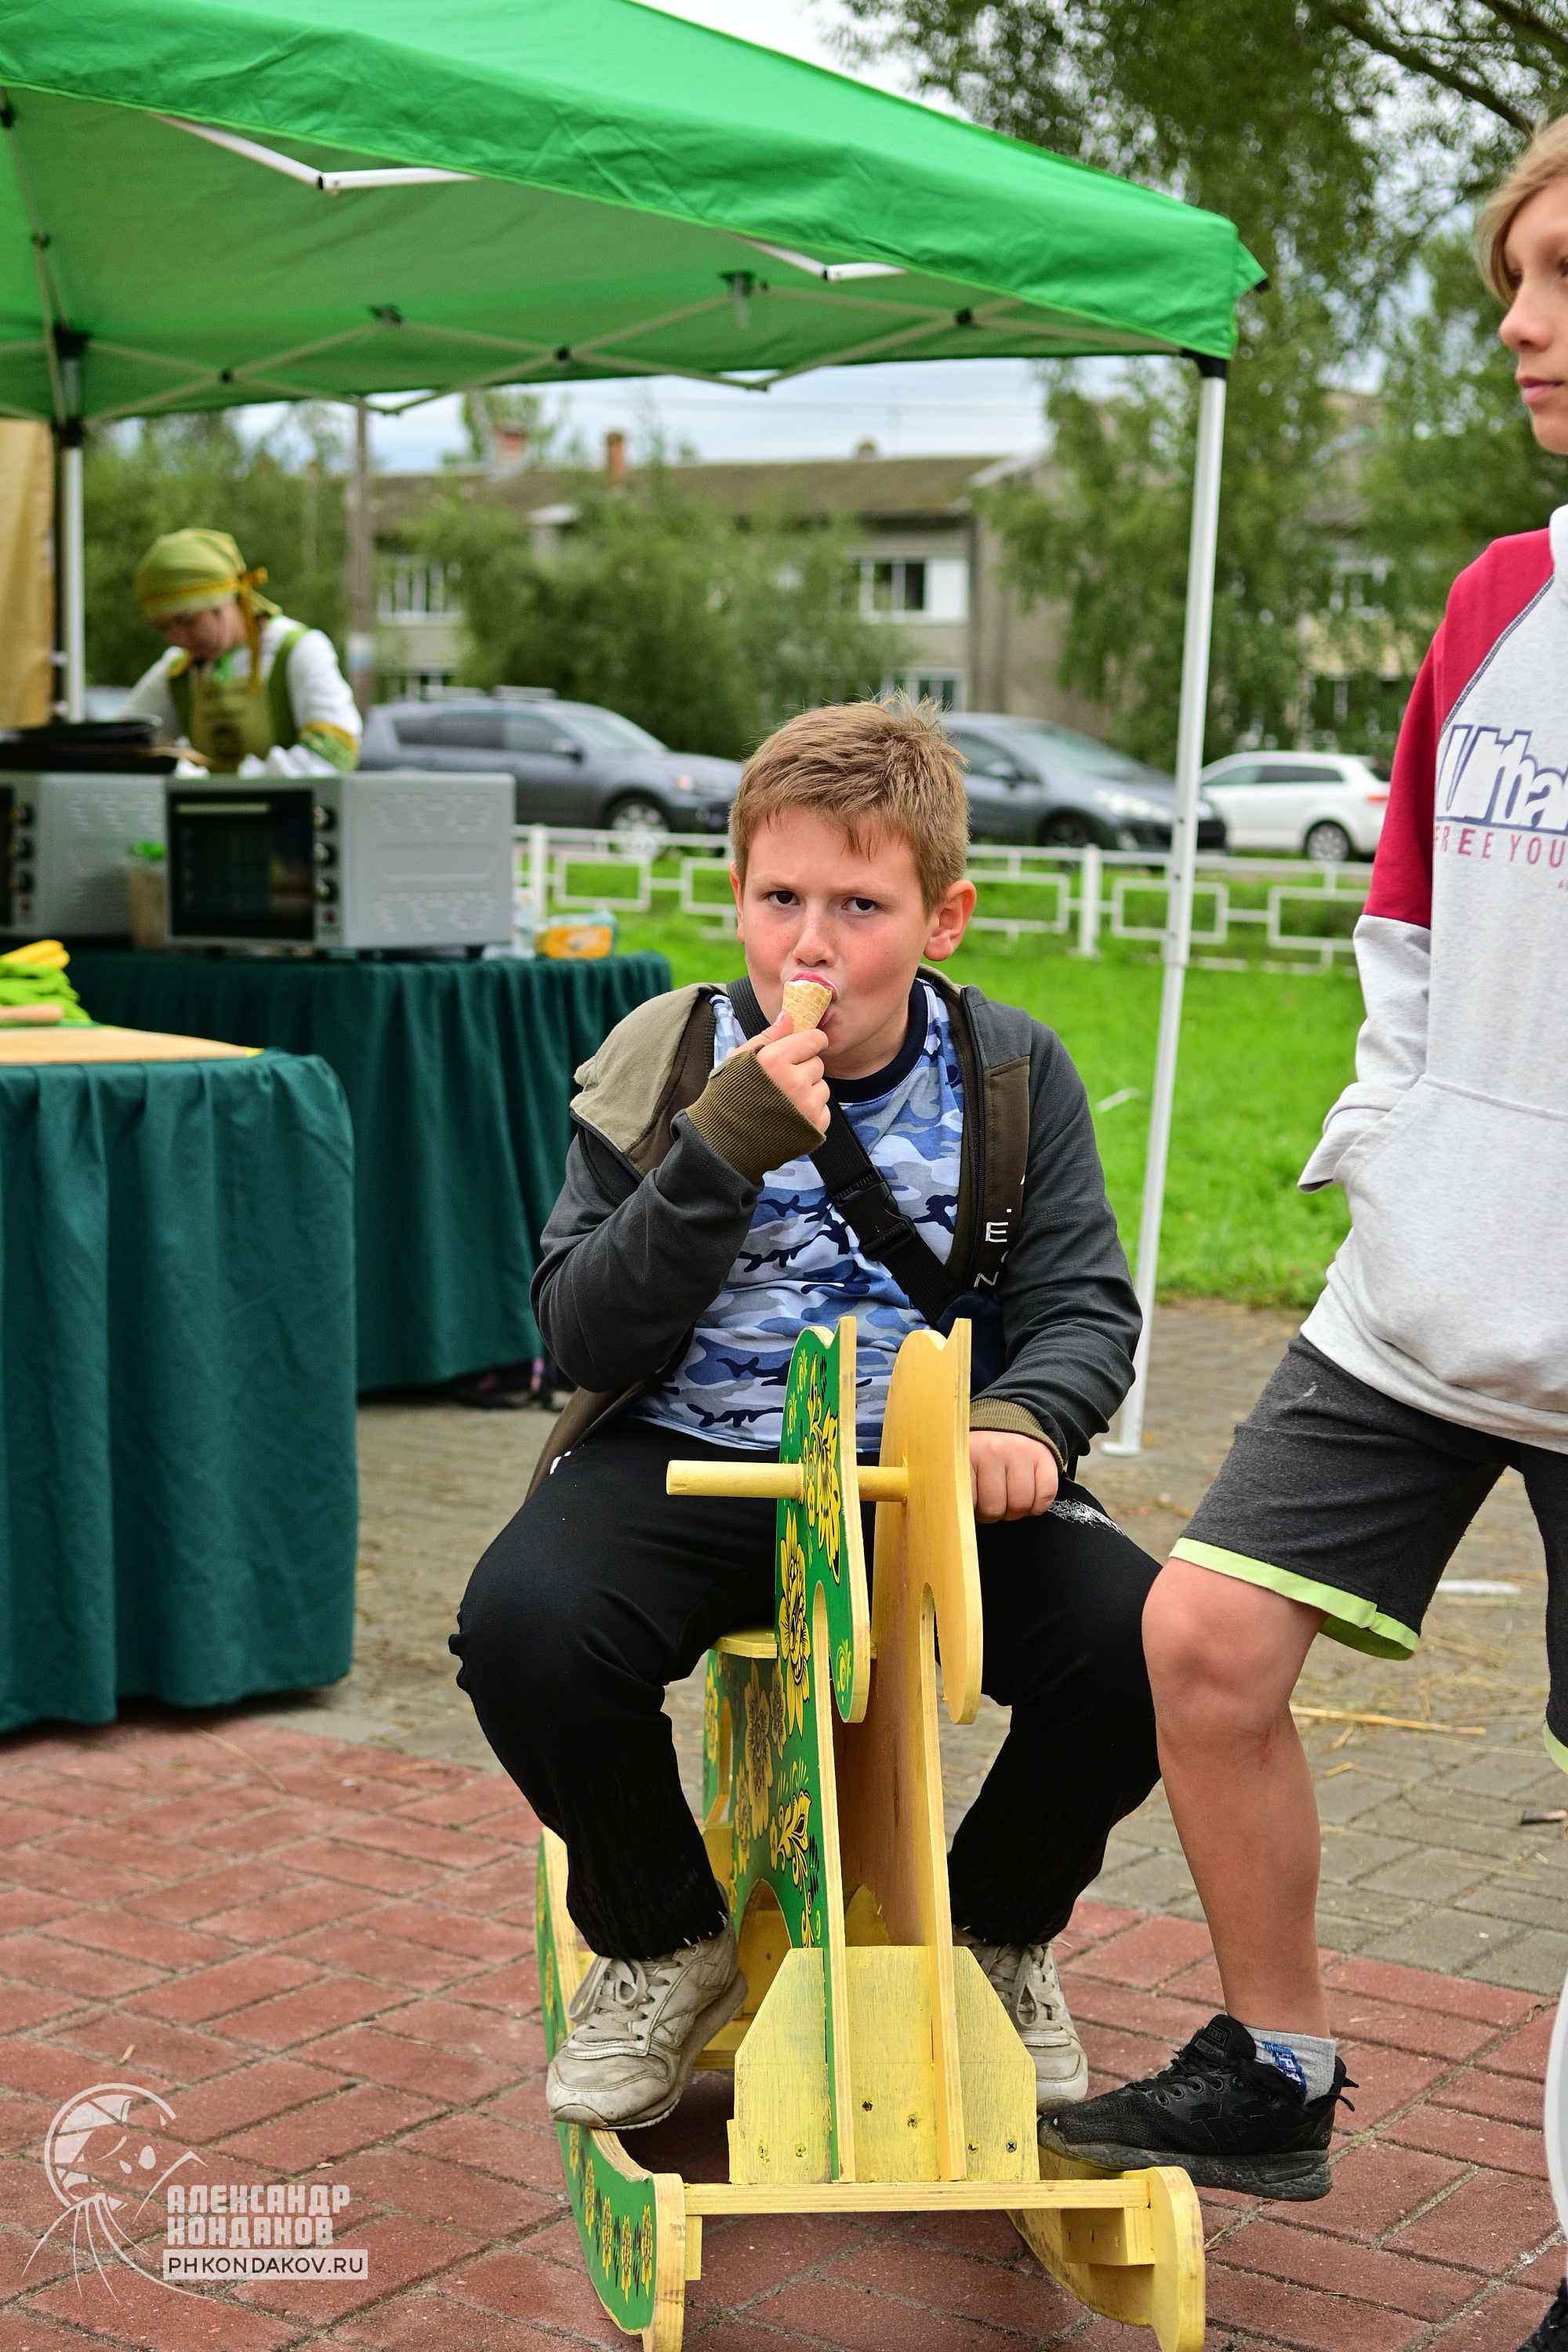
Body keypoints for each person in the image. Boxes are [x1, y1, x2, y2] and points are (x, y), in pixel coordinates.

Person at [1043, 113, 1568, 2304]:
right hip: (1432, 1287)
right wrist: (1401, 1144)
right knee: (1206, 1640)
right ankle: (1276, 2064)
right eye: (1517, 287)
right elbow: (1415, 918)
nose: (1529, 334)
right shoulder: (1501, 594)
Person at [452, 697, 1163, 2132]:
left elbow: (1089, 1305)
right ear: (738, 898)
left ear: (944, 915)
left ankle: (994, 1931)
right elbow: (580, 1326)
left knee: (1144, 1646)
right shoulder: (664, 1057)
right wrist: (719, 1148)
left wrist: (1025, 1419)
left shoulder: (1013, 1071)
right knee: (521, 1630)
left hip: (925, 1472)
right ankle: (662, 1936)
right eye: (779, 899)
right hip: (684, 1450)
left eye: (861, 905)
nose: (812, 945)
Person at [123, 528, 360, 775]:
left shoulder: (298, 650)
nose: (178, 638)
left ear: (228, 599)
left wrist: (231, 784)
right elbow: (120, 744)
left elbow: (335, 753)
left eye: (188, 621)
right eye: (163, 627)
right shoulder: (177, 672)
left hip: (287, 812)